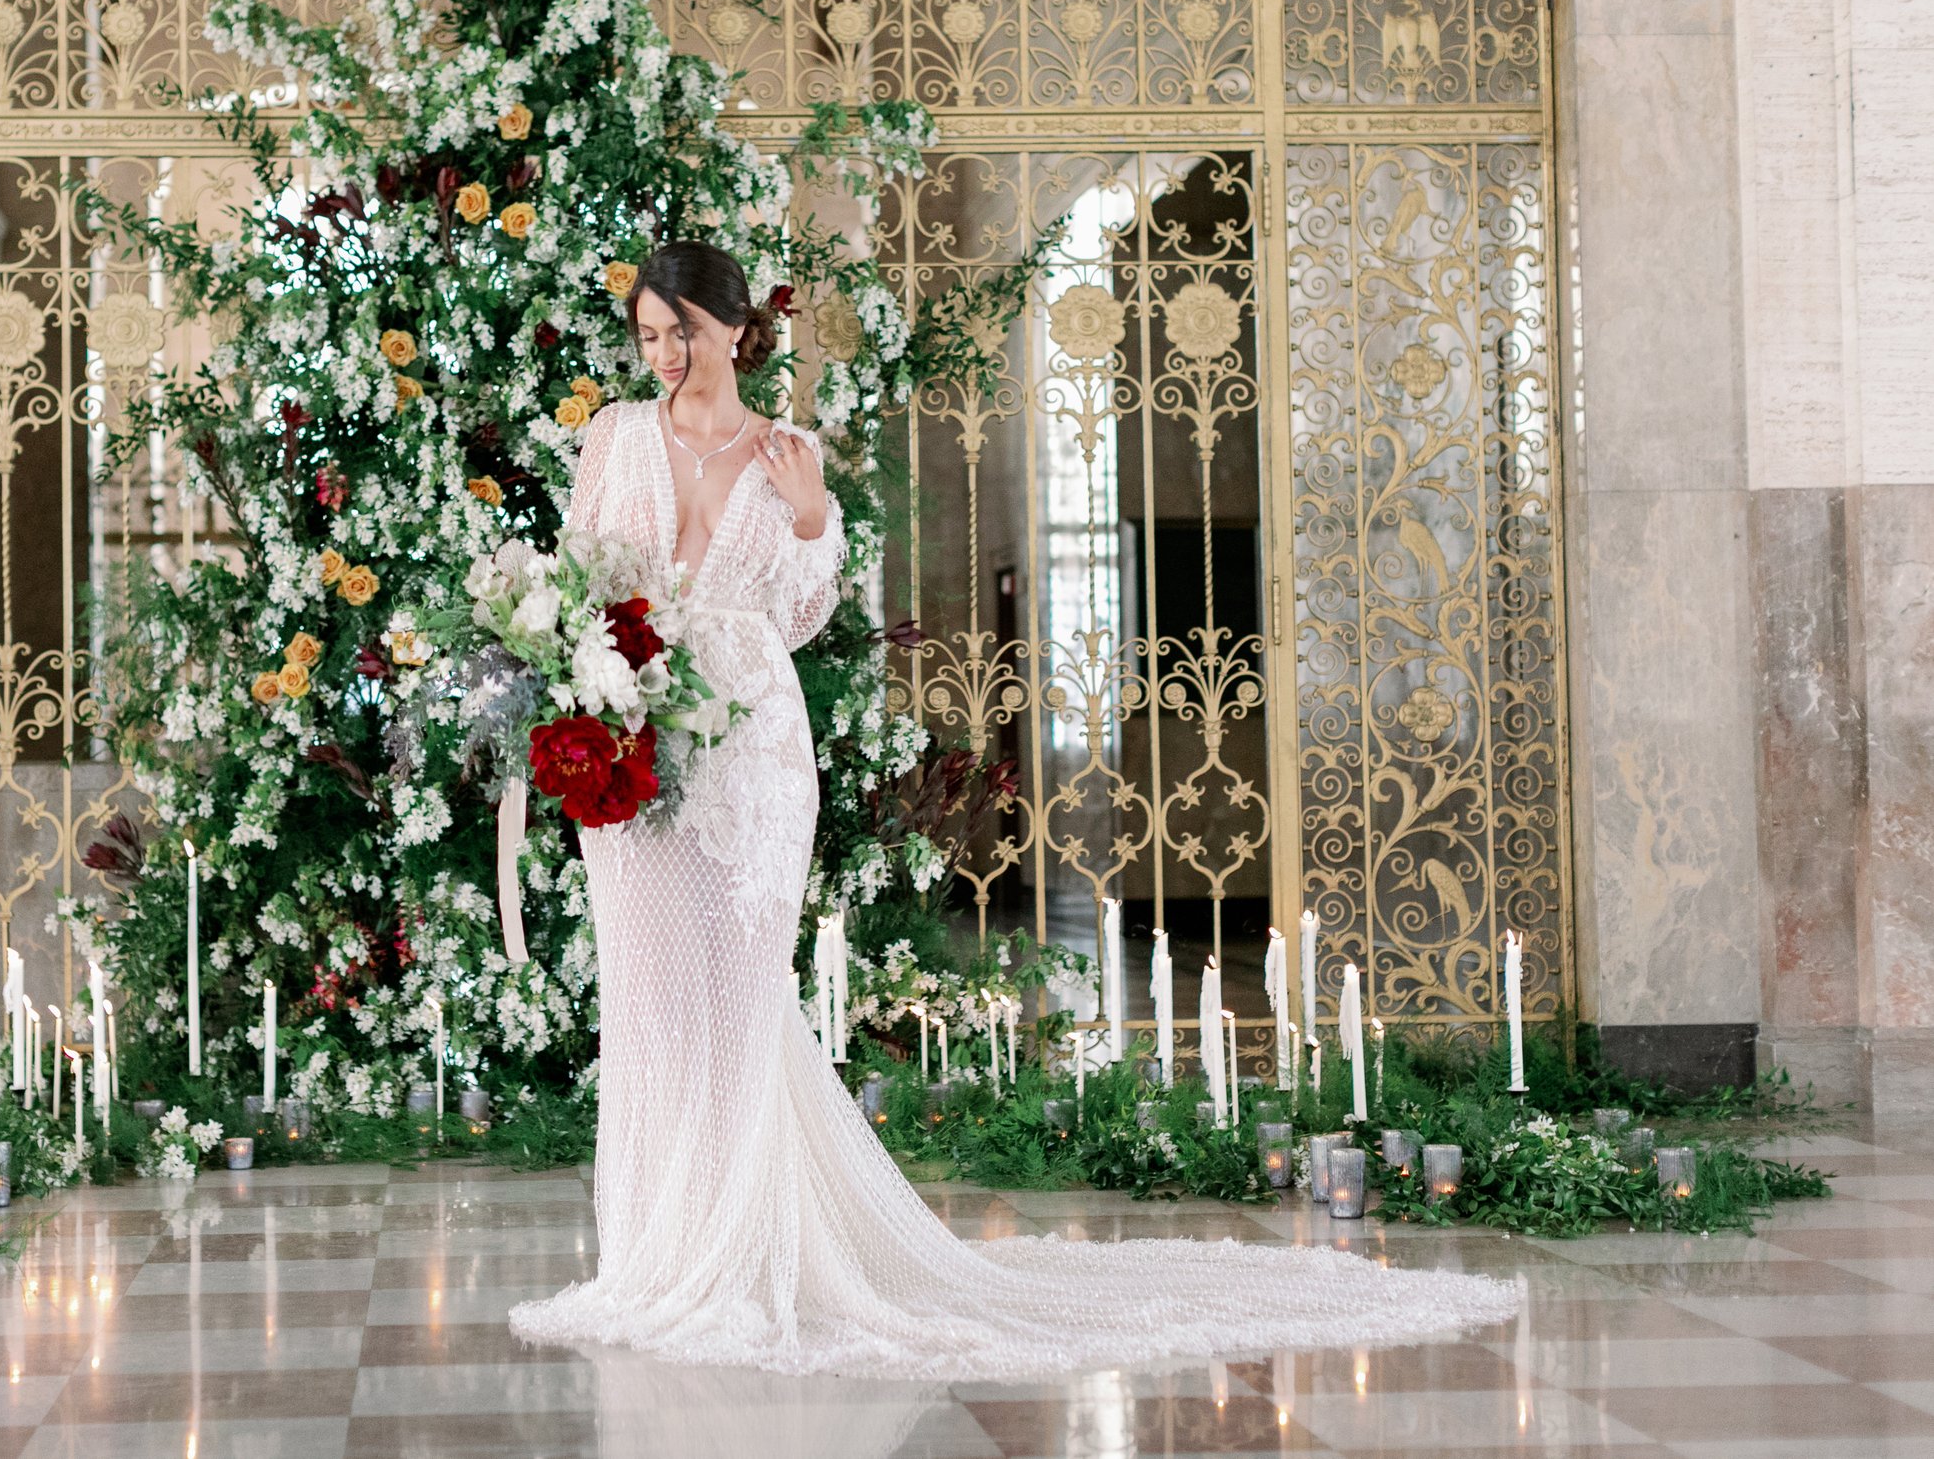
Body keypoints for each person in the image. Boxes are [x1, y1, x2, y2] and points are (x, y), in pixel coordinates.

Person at [505, 240, 1518, 1379]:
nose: (663, 356)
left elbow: (794, 617)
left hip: (747, 749)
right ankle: (655, 1251)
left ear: (735, 329)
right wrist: (590, 695)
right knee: (647, 993)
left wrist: (805, 517)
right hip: (627, 742)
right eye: (647, 335)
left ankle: (742, 1256)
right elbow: (582, 581)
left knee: (740, 994)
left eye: (679, 333)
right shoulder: (614, 437)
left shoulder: (790, 455)